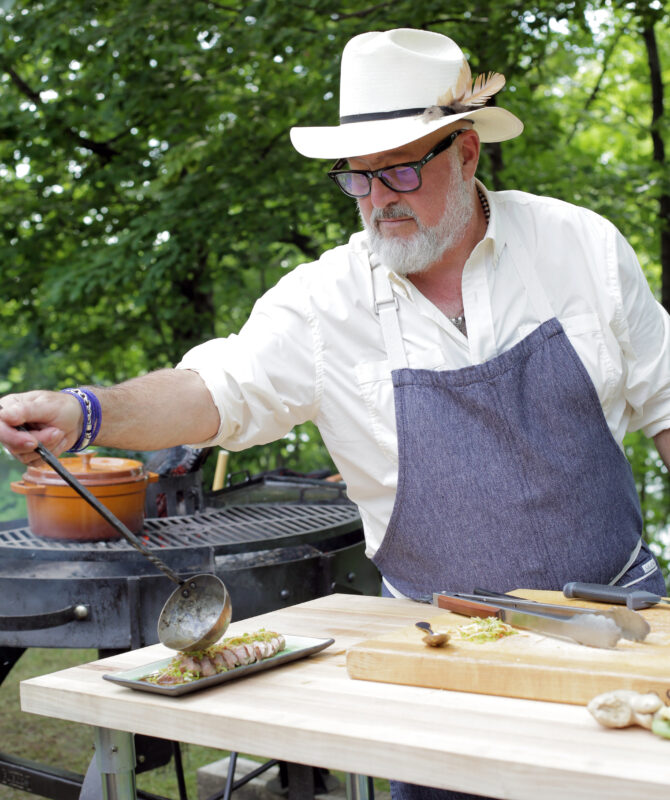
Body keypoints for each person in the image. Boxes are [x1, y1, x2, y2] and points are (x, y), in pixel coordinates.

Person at [1, 28, 669, 800]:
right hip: (435, 658)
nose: (380, 200)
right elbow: (213, 390)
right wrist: (84, 411)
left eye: (404, 171)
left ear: (467, 153)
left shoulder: (580, 246)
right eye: (360, 179)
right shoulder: (323, 304)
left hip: (619, 634)